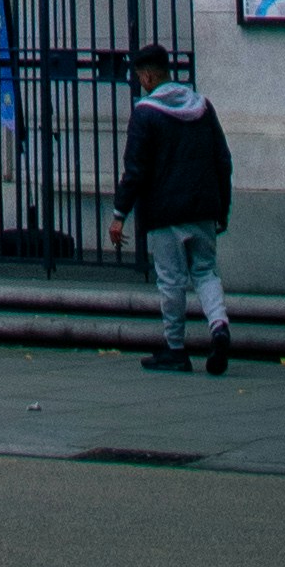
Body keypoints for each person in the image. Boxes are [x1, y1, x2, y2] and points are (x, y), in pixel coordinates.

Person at [106, 40, 235, 373]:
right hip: (204, 207)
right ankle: (218, 325)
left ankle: (175, 348)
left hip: (165, 213)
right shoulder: (203, 106)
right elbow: (223, 160)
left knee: (171, 280)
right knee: (206, 272)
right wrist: (222, 206)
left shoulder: (145, 113)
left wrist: (120, 214)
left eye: (140, 77)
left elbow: (134, 170)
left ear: (148, 76)